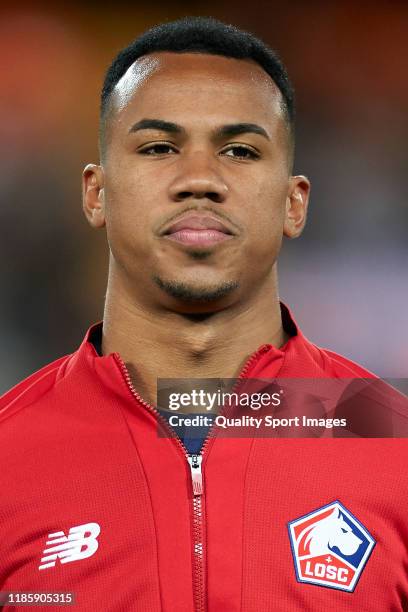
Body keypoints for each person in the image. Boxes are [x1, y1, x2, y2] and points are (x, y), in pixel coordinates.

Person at [1, 16, 407, 612]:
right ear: (97, 194)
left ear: (295, 203)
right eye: (159, 147)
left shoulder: (391, 443)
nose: (199, 180)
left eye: (239, 151)